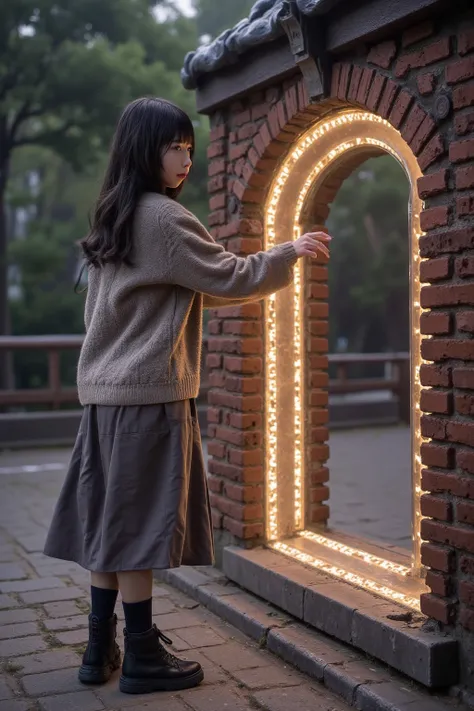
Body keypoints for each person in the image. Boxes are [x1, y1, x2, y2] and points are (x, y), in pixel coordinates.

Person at [43, 96, 331, 696]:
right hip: (148, 395)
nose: (186, 160)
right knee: (140, 527)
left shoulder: (113, 217)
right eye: (177, 146)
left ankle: (100, 648)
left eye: (191, 149)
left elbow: (199, 284)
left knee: (107, 524)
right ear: (148, 148)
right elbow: (228, 274)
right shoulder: (165, 220)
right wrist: (288, 254)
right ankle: (144, 655)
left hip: (102, 397)